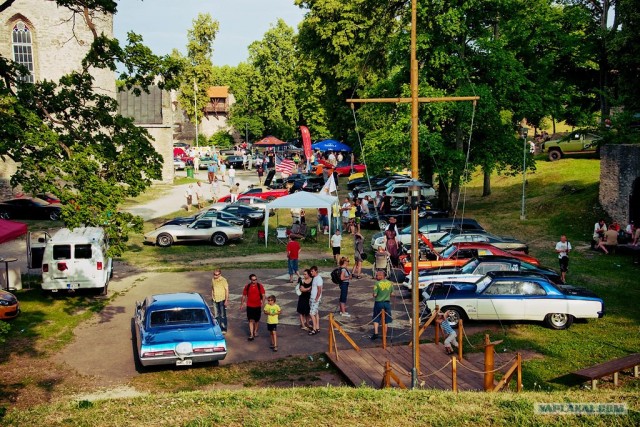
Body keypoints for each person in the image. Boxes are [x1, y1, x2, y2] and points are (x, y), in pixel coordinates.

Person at [240, 274, 266, 341]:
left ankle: (255, 331)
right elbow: (244, 295)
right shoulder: (247, 286)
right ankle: (251, 334)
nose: (254, 281)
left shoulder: (260, 286)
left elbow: (263, 295)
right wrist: (242, 304)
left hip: (257, 306)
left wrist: (263, 302)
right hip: (250, 306)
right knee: (251, 320)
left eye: (255, 279)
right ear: (250, 280)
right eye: (253, 280)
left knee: (257, 320)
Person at [371, 270, 393, 340]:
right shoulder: (390, 283)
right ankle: (385, 334)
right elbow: (392, 293)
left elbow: (375, 294)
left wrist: (374, 295)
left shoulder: (377, 283)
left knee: (376, 317)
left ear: (381, 276)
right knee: (386, 319)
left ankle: (376, 333)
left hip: (378, 302)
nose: (376, 277)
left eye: (377, 275)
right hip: (387, 303)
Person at [211, 269, 229, 333]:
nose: (215, 276)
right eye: (214, 274)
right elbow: (212, 288)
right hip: (215, 299)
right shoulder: (213, 279)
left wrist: (226, 300)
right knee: (216, 315)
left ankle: (223, 328)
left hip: (222, 299)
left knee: (222, 315)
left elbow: (227, 290)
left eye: (216, 275)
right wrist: (212, 296)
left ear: (220, 274)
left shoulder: (224, 280)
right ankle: (218, 328)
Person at [308, 266, 323, 335]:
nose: (311, 273)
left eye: (312, 271)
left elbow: (319, 290)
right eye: (310, 271)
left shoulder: (318, 279)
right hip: (312, 298)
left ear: (316, 271)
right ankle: (317, 327)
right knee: (316, 313)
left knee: (311, 313)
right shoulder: (314, 278)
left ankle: (314, 329)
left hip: (315, 299)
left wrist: (317, 298)